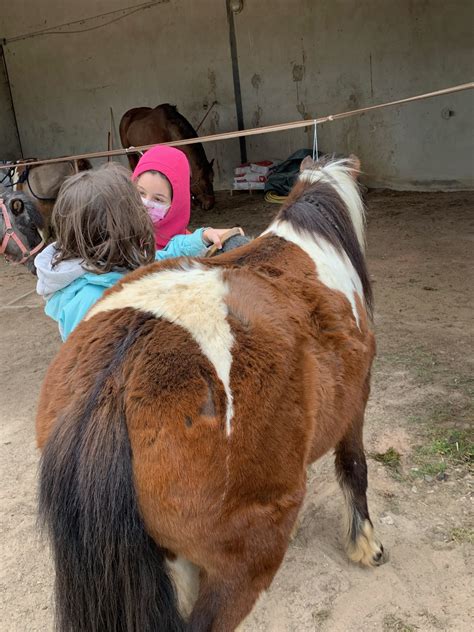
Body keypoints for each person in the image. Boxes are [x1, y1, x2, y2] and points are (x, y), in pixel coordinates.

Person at [35, 163, 235, 341]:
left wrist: (201, 238)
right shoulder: (92, 301)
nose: (145, 211)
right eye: (136, 211)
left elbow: (159, 259)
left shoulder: (112, 261)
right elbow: (94, 373)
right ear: (116, 231)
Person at [132, 145, 224, 251]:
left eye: (158, 199)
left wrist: (202, 239)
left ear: (176, 204)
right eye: (141, 193)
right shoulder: (117, 237)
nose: (146, 204)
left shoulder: (189, 248)